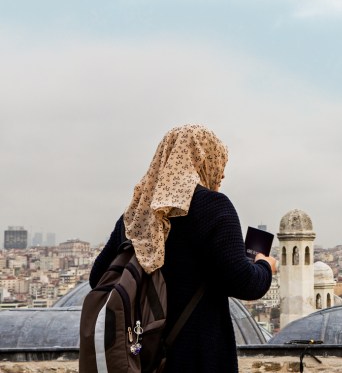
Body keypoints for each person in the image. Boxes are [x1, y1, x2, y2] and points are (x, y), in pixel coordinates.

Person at [89, 124, 277, 373]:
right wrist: (265, 265)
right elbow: (244, 283)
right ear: (205, 160)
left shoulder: (137, 214)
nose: (221, 175)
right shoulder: (213, 206)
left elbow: (98, 279)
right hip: (200, 355)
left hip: (143, 356)